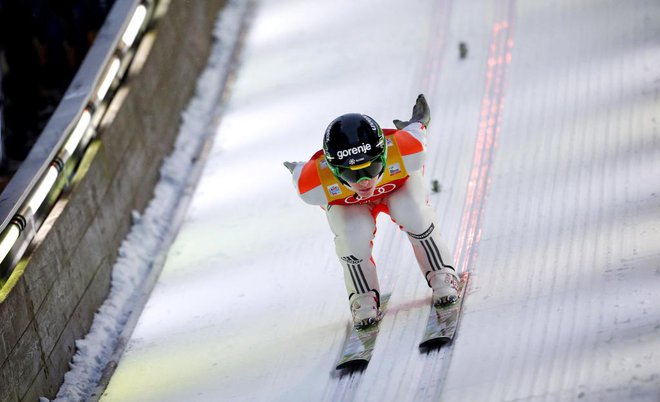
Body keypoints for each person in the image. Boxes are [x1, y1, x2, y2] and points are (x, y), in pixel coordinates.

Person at [284, 94, 459, 328]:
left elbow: (418, 127)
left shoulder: (409, 149)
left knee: (412, 212)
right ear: (334, 171)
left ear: (385, 155)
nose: (365, 181)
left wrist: (417, 121)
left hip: (396, 188)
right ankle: (363, 296)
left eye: (373, 167)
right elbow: (300, 173)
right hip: (355, 203)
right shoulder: (312, 184)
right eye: (351, 173)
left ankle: (441, 273)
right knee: (352, 234)